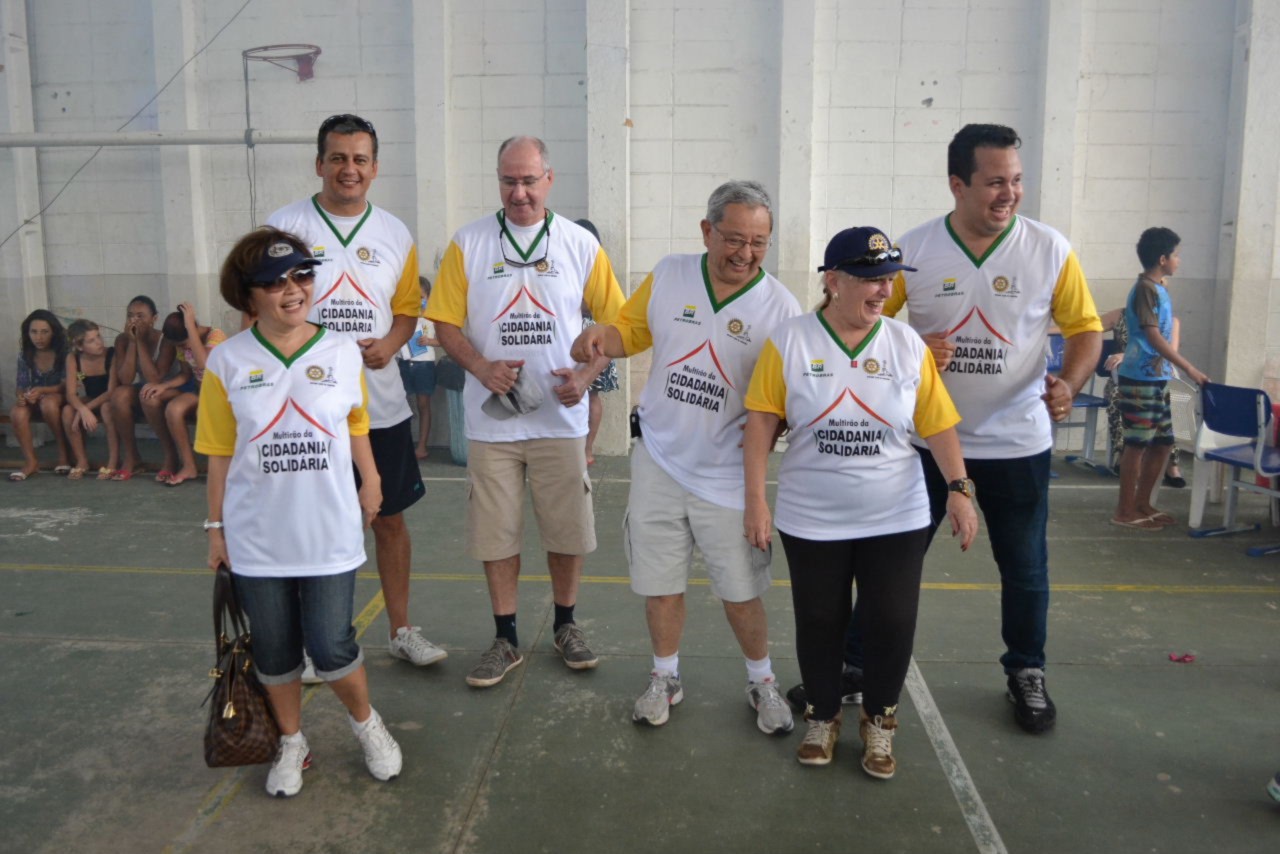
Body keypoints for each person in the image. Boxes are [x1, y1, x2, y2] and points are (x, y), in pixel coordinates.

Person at [789, 124, 1103, 735]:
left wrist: (1070, 382)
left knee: (1025, 566)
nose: (1009, 193)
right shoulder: (916, 249)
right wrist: (911, 344)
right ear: (958, 184)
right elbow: (858, 321)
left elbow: (1085, 329)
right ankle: (854, 665)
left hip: (1018, 442)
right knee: (886, 565)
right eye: (994, 182)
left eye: (1016, 180)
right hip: (926, 446)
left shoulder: (1049, 249)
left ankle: (1026, 669)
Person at [744, 226, 977, 776]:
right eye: (871, 279)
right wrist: (756, 500)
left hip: (895, 514)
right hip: (812, 516)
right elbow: (760, 425)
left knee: (891, 620)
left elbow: (938, 423)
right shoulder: (790, 341)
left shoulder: (906, 344)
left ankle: (880, 721)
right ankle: (823, 716)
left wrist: (959, 488)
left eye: (890, 278)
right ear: (834, 281)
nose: (884, 290)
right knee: (819, 620)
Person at [570, 181, 801, 733]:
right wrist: (599, 336)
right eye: (734, 238)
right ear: (707, 231)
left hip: (728, 476)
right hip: (659, 460)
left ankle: (762, 680)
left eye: (759, 242)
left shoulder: (780, 307)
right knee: (661, 584)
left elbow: (785, 402)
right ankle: (665, 676)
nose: (746, 253)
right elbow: (631, 333)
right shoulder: (670, 274)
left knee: (741, 591)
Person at [195, 227, 402, 798]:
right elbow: (217, 452)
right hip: (257, 536)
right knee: (275, 649)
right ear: (247, 295)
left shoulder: (341, 350)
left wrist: (371, 479)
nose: (293, 290)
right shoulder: (226, 361)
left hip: (328, 529)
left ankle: (366, 724)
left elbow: (355, 421)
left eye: (302, 276)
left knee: (332, 645)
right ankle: (291, 741)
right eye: (274, 282)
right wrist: (215, 529)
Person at [429, 135, 624, 687]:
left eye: (529, 181)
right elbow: (444, 321)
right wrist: (480, 366)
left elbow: (617, 322)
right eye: (508, 181)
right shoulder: (468, 243)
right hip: (492, 424)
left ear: (549, 179)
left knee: (566, 531)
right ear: (498, 181)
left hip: (559, 422)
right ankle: (506, 638)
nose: (519, 192)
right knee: (496, 535)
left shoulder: (579, 245)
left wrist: (585, 376)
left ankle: (566, 624)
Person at [267, 113, 445, 671]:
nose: (350, 169)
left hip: (380, 408)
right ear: (319, 164)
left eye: (360, 159)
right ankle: (313, 644)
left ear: (375, 167)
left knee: (389, 519)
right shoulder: (284, 227)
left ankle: (401, 629)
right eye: (339, 158)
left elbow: (406, 311)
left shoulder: (395, 233)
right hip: (305, 413)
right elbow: (259, 309)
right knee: (311, 526)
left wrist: (390, 345)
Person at [1111, 227, 1208, 529]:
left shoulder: (1158, 288)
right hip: (1140, 379)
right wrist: (1189, 368)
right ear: (1162, 259)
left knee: (1164, 441)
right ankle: (1125, 511)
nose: (1179, 260)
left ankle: (1143, 503)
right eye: (1176, 255)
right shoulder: (1144, 290)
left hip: (1160, 379)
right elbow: (1153, 337)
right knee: (1136, 444)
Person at [1102, 310, 1186, 486]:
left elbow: (1170, 353)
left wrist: (1127, 355)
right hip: (1124, 379)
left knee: (1172, 399)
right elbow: (1085, 326)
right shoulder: (1120, 315)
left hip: (1157, 378)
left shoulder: (1170, 321)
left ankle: (1171, 463)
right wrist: (1046, 328)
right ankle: (1126, 455)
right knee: (1118, 396)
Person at [107, 295, 177, 481]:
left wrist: (139, 342)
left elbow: (155, 378)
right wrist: (132, 342)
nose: (134, 320)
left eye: (140, 316)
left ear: (154, 318)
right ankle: (132, 457)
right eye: (130, 316)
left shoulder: (166, 340)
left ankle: (170, 455)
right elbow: (126, 379)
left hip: (171, 386)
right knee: (119, 395)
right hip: (146, 386)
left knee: (149, 396)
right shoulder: (122, 340)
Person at [156, 305, 226, 487]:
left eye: (182, 344)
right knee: (173, 409)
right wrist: (164, 386)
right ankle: (189, 466)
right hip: (201, 392)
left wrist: (190, 327)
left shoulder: (215, 335)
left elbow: (204, 363)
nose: (181, 348)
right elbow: (186, 374)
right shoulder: (182, 345)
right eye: (178, 346)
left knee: (207, 412)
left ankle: (220, 468)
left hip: (222, 395)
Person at [574, 220, 620, 467]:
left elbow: (590, 305)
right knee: (589, 396)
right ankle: (585, 450)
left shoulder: (590, 264)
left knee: (589, 394)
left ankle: (586, 449)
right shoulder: (595, 263)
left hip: (592, 335)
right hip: (594, 333)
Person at [8, 309, 71, 481]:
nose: (39, 337)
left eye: (44, 332)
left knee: (48, 403)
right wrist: (21, 396)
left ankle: (63, 453)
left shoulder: (65, 353)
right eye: (34, 332)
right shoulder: (25, 354)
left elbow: (67, 385)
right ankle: (31, 462)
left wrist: (43, 390)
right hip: (35, 396)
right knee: (17, 412)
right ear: (27, 333)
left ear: (53, 332)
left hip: (59, 396)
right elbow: (21, 384)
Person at [61, 319, 118, 480]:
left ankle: (113, 461)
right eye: (91, 341)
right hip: (92, 398)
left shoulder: (112, 354)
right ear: (80, 346)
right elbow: (70, 394)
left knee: (106, 408)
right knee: (67, 410)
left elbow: (111, 391)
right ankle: (82, 460)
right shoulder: (73, 358)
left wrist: (85, 410)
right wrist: (82, 409)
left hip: (110, 399)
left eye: (98, 336)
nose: (99, 342)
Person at [398, 276, 439, 460]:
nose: (417, 301)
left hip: (424, 365)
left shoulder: (433, 316)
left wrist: (429, 341)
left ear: (428, 297)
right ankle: (404, 444)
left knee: (423, 405)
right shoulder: (403, 315)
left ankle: (422, 446)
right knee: (402, 405)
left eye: (421, 297)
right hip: (404, 363)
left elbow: (444, 340)